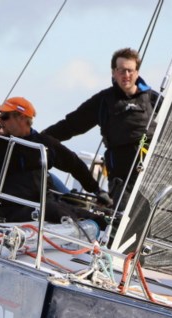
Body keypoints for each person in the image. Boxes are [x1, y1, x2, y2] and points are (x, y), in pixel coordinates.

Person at [0, 96, 112, 224]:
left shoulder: (44, 143)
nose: (1, 121)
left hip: (45, 204)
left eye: (5, 116)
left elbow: (74, 164)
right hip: (12, 210)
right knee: (58, 213)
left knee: (95, 219)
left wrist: (96, 190)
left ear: (22, 118)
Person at [42, 47, 161, 205]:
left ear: (137, 72)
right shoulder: (103, 101)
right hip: (121, 175)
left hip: (153, 171)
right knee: (123, 218)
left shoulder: (153, 99)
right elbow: (71, 125)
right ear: (113, 72)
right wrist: (39, 138)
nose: (126, 75)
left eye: (130, 70)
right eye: (121, 70)